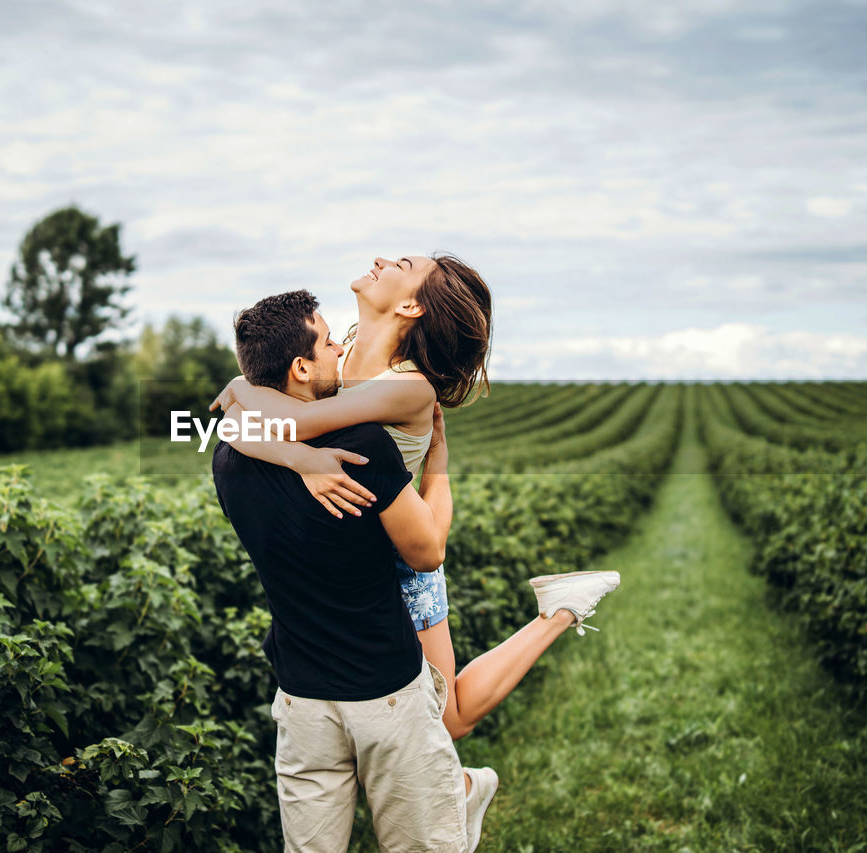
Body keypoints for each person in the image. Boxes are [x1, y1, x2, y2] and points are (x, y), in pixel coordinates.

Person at [210, 255, 621, 840]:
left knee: (444, 717)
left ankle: (559, 611)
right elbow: (261, 427)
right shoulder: (341, 353)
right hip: (345, 550)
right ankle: (456, 788)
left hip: (404, 558)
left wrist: (241, 393)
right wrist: (276, 435)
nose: (380, 260)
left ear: (410, 306)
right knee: (435, 720)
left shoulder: (407, 387)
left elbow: (294, 423)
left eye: (400, 264)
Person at [211, 290, 470, 851]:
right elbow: (427, 553)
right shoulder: (362, 446)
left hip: (301, 696)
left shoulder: (230, 457)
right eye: (328, 342)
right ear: (302, 367)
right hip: (386, 692)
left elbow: (231, 426)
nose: (337, 350)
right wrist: (439, 465)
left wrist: (288, 446)